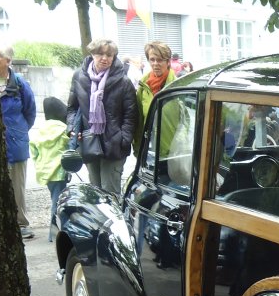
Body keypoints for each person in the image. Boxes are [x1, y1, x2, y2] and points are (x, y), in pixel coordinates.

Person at [66, 38, 137, 194]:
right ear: (92, 54)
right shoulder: (79, 76)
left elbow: (131, 116)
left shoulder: (124, 81)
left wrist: (123, 139)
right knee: (95, 193)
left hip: (114, 146)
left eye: (109, 55)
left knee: (110, 193)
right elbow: (72, 108)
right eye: (100, 54)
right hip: (89, 141)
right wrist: (71, 128)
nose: (105, 58)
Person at [0, 42, 37, 239]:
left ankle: (21, 224)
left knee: (17, 187)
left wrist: (18, 132)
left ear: (8, 61)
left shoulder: (19, 84)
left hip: (16, 142)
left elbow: (30, 112)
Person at [29, 97, 71, 242]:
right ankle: (54, 235)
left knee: (55, 200)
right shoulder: (64, 130)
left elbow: (34, 152)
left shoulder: (40, 131)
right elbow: (70, 149)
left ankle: (56, 233)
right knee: (57, 204)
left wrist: (39, 164)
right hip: (59, 172)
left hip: (45, 173)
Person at [133, 41, 177, 154]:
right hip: (149, 148)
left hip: (173, 150)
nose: (155, 63)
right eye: (152, 59)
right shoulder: (143, 84)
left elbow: (187, 119)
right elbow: (138, 118)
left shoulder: (178, 85)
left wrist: (180, 142)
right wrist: (138, 146)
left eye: (160, 60)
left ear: (168, 62)